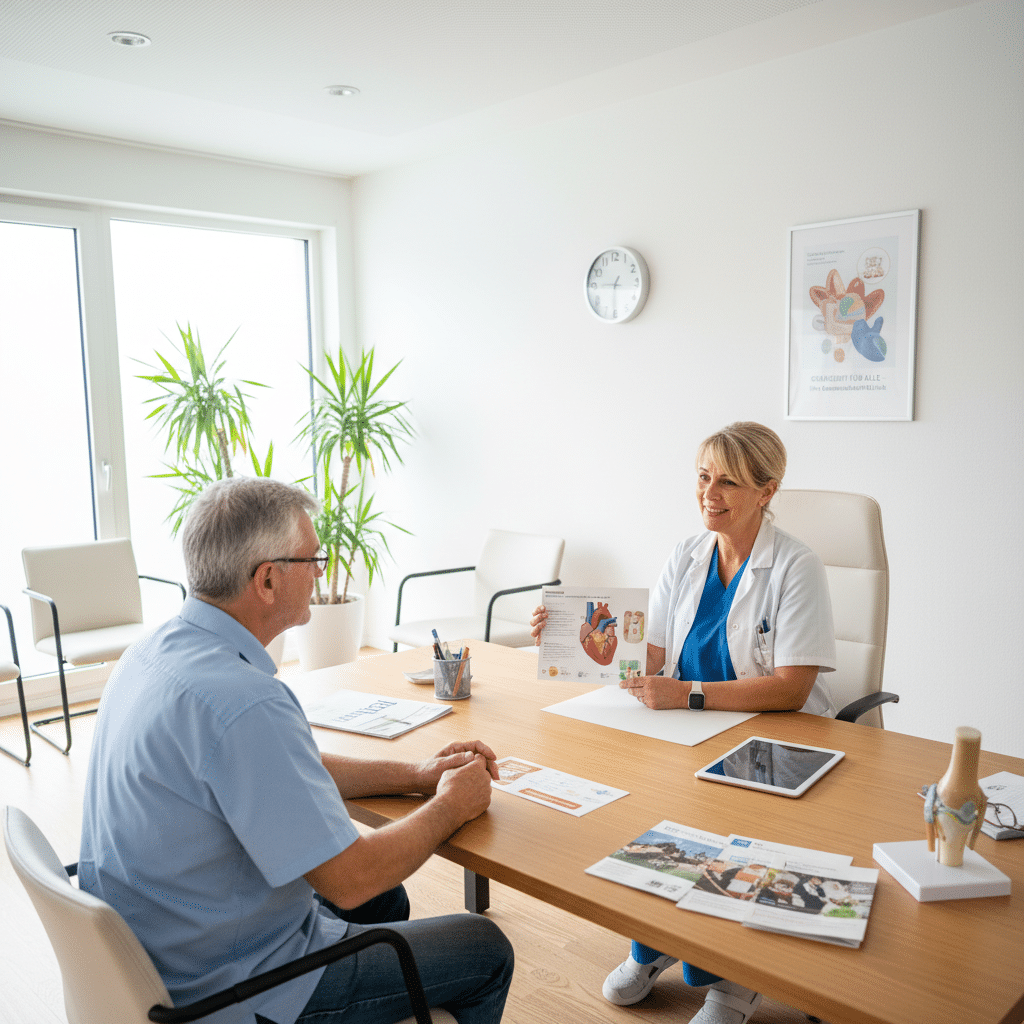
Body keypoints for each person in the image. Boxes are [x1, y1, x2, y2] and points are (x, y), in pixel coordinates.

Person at [79, 477, 514, 1024]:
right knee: (484, 947)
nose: (322, 573)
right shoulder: (244, 703)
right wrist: (451, 804)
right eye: (313, 559)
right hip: (231, 989)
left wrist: (419, 773)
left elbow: (287, 772)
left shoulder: (151, 656)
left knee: (389, 902)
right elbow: (349, 881)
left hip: (165, 944)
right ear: (266, 580)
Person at [530, 422, 836, 1024]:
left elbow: (793, 688)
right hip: (684, 724)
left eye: (727, 481)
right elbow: (649, 652)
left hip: (768, 732)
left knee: (730, 830)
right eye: (702, 477)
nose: (708, 493)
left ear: (767, 490)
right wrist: (567, 635)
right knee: (652, 815)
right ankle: (654, 941)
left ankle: (727, 980)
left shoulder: (797, 565)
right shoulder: (687, 553)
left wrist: (688, 694)